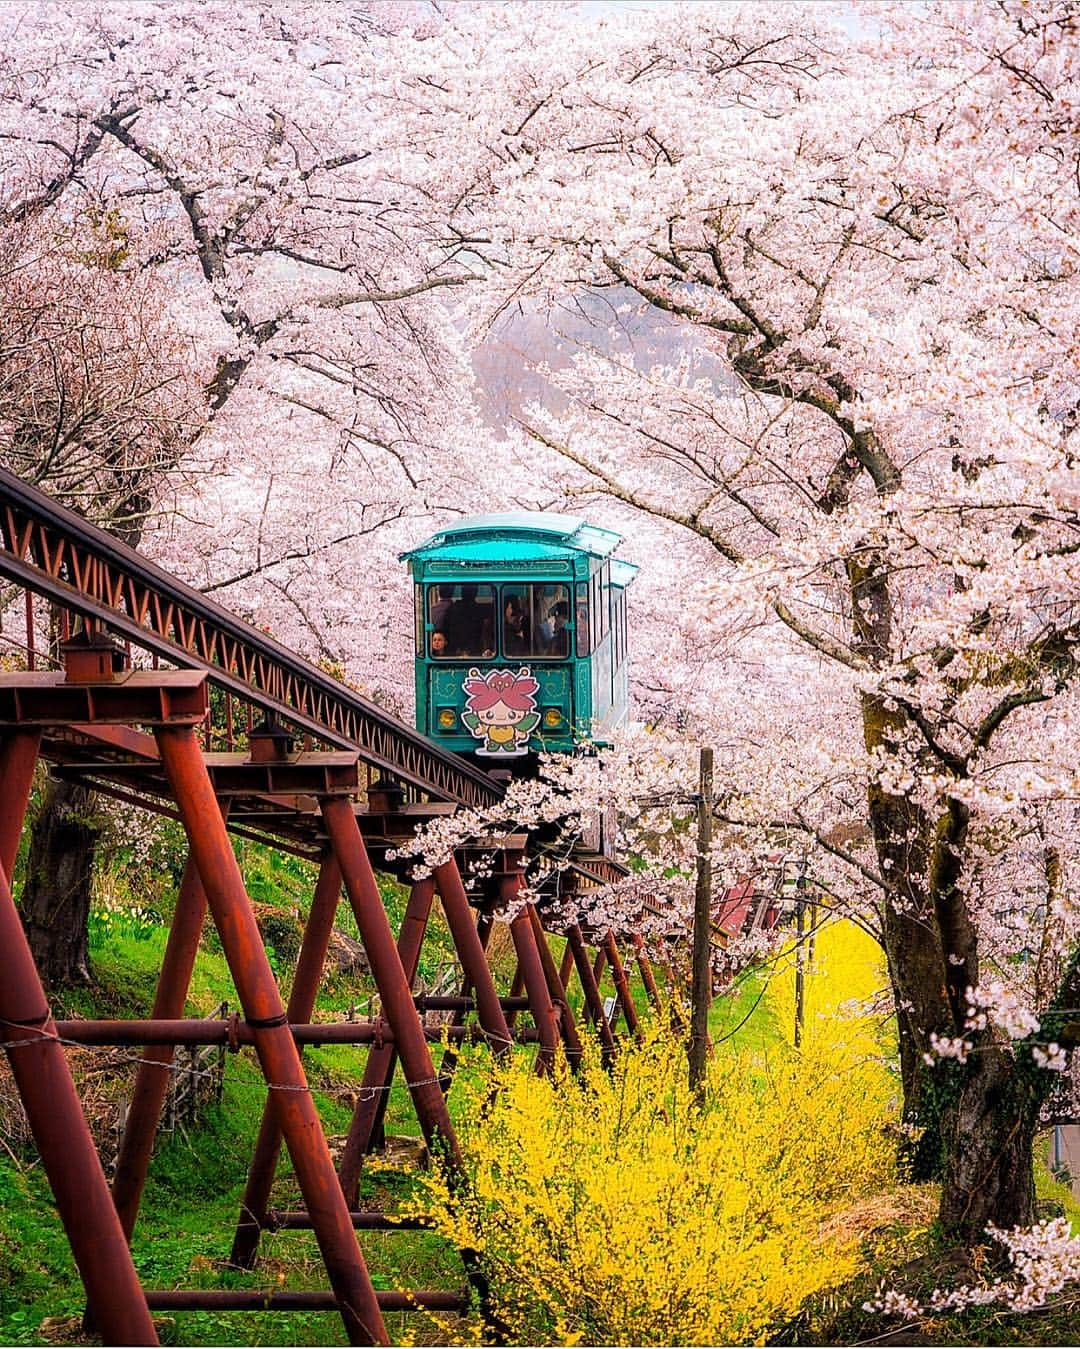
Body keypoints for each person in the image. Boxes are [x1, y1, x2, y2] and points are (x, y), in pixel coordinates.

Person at [445, 584, 493, 657]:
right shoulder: (479, 609)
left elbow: (448, 629)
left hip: (456, 648)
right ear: (475, 594)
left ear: (462, 593)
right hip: (475, 647)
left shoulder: (453, 608)